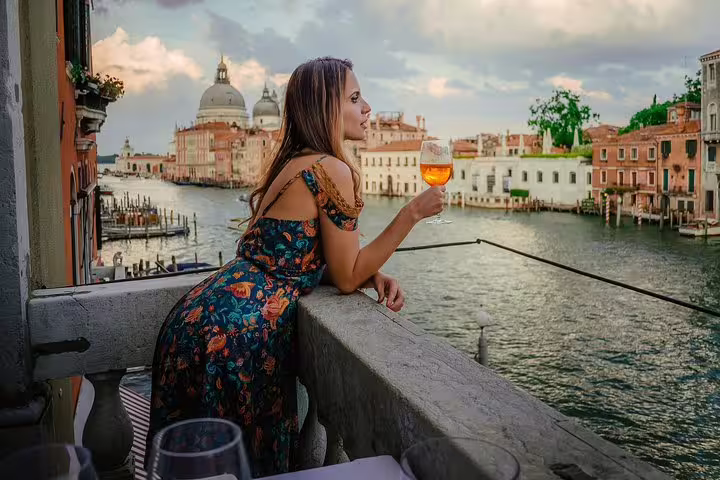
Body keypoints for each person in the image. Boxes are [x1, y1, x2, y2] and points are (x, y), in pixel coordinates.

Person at [146, 56, 445, 477]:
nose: (368, 108)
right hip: (236, 339)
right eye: (356, 98)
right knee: (243, 465)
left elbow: (293, 256)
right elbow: (346, 278)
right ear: (326, 107)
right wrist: (411, 213)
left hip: (198, 321)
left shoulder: (293, 162)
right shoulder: (332, 169)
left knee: (200, 468)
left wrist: (370, 271)